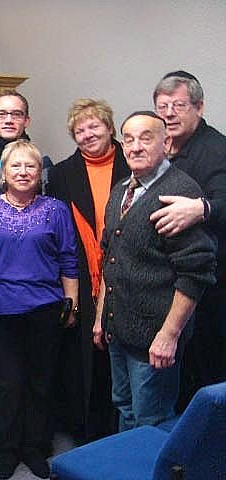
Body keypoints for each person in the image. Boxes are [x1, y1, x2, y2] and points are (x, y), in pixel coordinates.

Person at [93, 111, 216, 432]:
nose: (135, 146)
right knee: (125, 408)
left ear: (166, 143)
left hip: (153, 341)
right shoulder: (121, 190)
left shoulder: (179, 192)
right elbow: (110, 258)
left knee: (151, 421)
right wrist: (101, 317)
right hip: (119, 333)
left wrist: (168, 336)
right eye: (129, 139)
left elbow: (196, 272)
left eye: (146, 138)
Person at [0, 140, 78, 479]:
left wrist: (71, 302)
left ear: (39, 173)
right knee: (5, 383)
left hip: (45, 307)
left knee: (40, 381)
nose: (23, 172)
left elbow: (68, 257)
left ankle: (34, 446)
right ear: (3, 173)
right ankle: (8, 447)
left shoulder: (56, 209)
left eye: (30, 166)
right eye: (15, 166)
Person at [46, 99, 130, 443]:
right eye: (79, 130)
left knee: (123, 356)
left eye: (94, 126)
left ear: (109, 127)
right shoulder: (62, 173)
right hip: (82, 274)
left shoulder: (133, 161)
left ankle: (124, 434)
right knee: (86, 359)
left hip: (127, 273)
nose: (88, 134)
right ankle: (89, 433)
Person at [151, 71, 226, 400]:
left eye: (178, 105)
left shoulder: (217, 149)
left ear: (199, 107)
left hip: (212, 286)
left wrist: (202, 208)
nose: (169, 114)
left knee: (210, 380)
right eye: (162, 107)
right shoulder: (160, 148)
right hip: (172, 283)